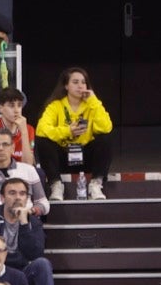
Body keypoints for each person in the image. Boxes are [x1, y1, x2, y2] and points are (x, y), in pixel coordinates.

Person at [35, 66, 114, 201]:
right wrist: (67, 131)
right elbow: (41, 129)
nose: (80, 86)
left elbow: (106, 127)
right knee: (42, 140)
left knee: (106, 137)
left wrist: (94, 101)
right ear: (66, 85)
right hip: (63, 157)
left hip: (85, 156)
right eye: (75, 82)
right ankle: (56, 185)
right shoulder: (55, 106)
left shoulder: (92, 105)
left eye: (83, 82)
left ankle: (96, 184)